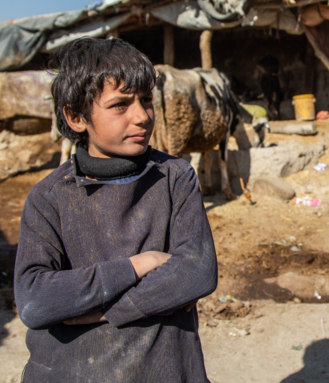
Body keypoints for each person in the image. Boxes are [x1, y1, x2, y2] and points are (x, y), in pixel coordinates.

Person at [14, 38, 218, 382]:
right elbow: (36, 301)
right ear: (76, 117)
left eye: (146, 100)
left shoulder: (174, 177)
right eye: (120, 105)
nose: (141, 116)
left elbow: (197, 272)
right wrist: (142, 264)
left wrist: (102, 312)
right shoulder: (48, 198)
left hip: (165, 369)